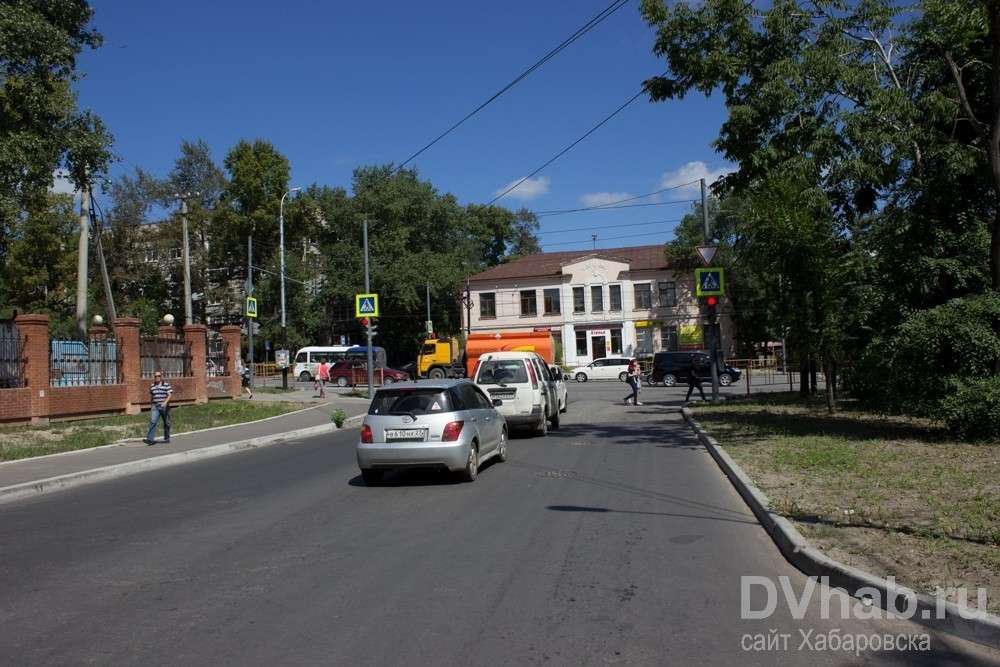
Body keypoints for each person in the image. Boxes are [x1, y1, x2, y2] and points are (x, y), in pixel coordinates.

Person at [144, 371, 172, 445]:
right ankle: (150, 439)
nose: (157, 377)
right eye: (155, 376)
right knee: (153, 421)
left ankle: (167, 438)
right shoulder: (152, 386)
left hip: (164, 407)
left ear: (161, 376)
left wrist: (165, 403)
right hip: (155, 406)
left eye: (159, 376)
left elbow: (169, 395)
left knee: (167, 422)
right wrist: (152, 405)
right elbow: (152, 396)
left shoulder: (166, 384)